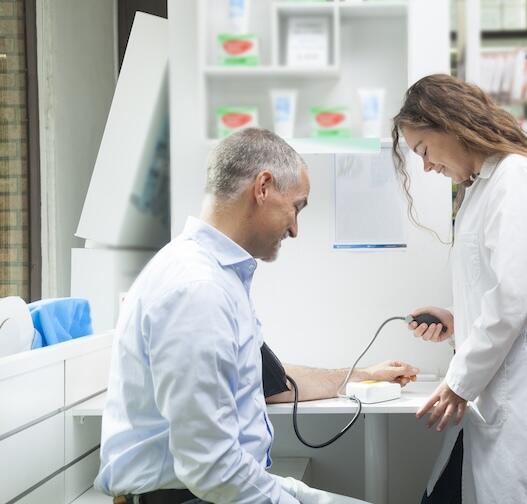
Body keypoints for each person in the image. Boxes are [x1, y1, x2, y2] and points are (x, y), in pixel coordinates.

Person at [95, 128, 418, 504]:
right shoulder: (198, 290)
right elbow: (210, 468)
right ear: (263, 187)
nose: (295, 228)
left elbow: (270, 382)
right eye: (297, 206)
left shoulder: (217, 276)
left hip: (215, 489)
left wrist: (361, 376)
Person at [391, 74, 527, 504]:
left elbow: (514, 297)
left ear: (450, 123)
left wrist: (459, 382)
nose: (426, 166)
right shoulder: (483, 185)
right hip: (507, 378)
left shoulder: (514, 177)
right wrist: (457, 318)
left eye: (424, 149)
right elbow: (503, 287)